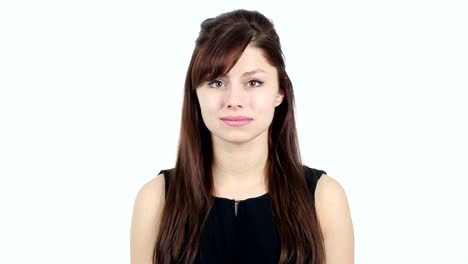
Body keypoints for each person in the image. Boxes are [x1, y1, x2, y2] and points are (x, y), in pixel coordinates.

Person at [130, 9, 354, 264]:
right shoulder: (156, 200)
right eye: (216, 82)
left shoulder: (324, 199)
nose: (234, 101)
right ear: (195, 94)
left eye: (253, 82)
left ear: (280, 92)